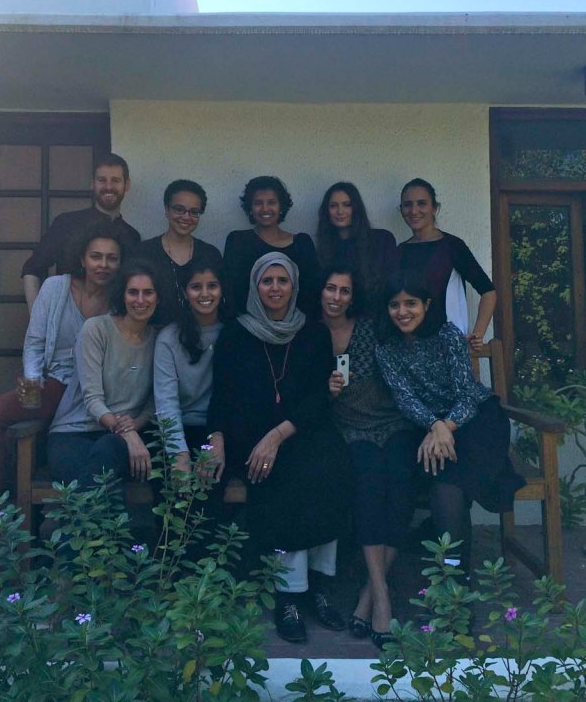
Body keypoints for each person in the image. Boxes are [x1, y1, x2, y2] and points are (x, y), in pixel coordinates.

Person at [207, 252, 352, 643]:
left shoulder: (313, 333)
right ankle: (289, 593)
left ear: (294, 286)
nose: (275, 288)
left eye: (282, 280)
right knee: (287, 474)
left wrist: (278, 435)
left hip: (299, 428)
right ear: (255, 286)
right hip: (250, 437)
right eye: (267, 281)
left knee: (332, 464)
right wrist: (216, 438)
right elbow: (221, 395)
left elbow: (318, 397)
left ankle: (320, 585)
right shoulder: (235, 334)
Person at [375, 271, 524, 573]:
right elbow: (405, 398)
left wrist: (445, 426)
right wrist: (435, 425)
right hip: (430, 428)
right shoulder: (386, 348)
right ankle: (453, 576)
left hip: (476, 420)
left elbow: (467, 394)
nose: (402, 312)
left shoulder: (448, 335)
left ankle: (453, 576)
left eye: (411, 303)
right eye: (394, 305)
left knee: (448, 481)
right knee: (444, 483)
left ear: (426, 305)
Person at [0, 226, 123, 503]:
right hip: (52, 384)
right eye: (96, 256)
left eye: (112, 258)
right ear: (82, 258)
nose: (103, 264)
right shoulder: (55, 288)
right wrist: (32, 380)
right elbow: (35, 341)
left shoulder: (122, 299)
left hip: (94, 390)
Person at [322, 265, 418, 650]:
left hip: (392, 422)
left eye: (344, 291)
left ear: (352, 297)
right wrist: (326, 392)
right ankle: (382, 595)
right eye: (330, 288)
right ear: (320, 292)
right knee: (369, 481)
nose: (336, 297)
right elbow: (300, 393)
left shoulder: (371, 329)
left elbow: (411, 347)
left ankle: (369, 594)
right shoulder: (309, 334)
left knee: (402, 479)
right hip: (349, 428)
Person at [47, 260, 161, 489]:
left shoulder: (160, 339)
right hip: (74, 434)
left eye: (148, 293)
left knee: (109, 450)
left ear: (158, 298)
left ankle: (88, 514)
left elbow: (153, 402)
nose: (140, 300)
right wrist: (127, 433)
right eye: (133, 292)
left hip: (120, 440)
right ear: (122, 295)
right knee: (97, 472)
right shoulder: (96, 329)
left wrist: (133, 427)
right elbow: (92, 398)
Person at [22, 153, 140, 312]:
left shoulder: (132, 236)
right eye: (102, 180)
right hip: (66, 319)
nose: (108, 187)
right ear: (92, 184)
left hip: (110, 321)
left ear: (127, 185)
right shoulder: (67, 223)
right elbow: (32, 269)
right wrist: (37, 316)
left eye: (115, 180)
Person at [398, 178, 496, 349]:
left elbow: (488, 292)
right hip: (410, 348)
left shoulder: (452, 246)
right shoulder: (400, 251)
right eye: (407, 205)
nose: (414, 210)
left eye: (421, 203)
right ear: (401, 210)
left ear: (434, 208)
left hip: (448, 349)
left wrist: (477, 334)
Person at [154, 254, 230, 471]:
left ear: (222, 289)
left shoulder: (232, 334)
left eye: (212, 286)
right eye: (196, 287)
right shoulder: (169, 338)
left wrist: (216, 439)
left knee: (210, 480)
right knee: (170, 484)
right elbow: (166, 402)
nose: (205, 294)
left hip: (218, 432)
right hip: (177, 430)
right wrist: (179, 453)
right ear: (185, 292)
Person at [223, 176, 318, 316]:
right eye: (258, 203)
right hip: (247, 323)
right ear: (250, 208)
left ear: (281, 207)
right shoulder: (238, 241)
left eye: (271, 202)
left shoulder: (302, 244)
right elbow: (230, 290)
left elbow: (311, 292)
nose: (265, 208)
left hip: (294, 324)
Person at [135, 179, 221, 328]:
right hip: (152, 334)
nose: (186, 217)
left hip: (200, 335)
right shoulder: (144, 252)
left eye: (194, 212)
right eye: (179, 209)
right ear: (167, 210)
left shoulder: (210, 254)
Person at [316, 182, 397, 317]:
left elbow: (393, 286)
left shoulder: (382, 240)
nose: (340, 211)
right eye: (333, 206)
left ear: (356, 208)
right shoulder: (325, 249)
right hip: (339, 321)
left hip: (378, 318)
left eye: (347, 205)